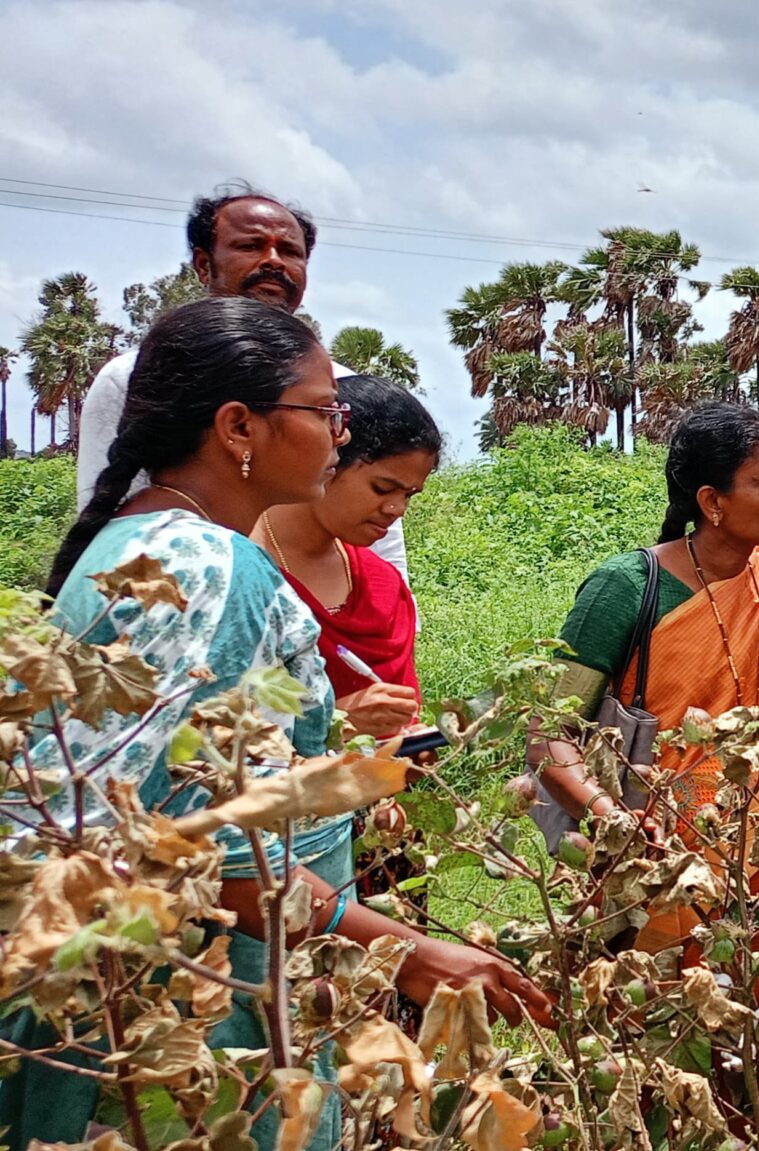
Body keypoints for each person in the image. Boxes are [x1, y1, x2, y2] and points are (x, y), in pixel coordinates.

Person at [7, 299, 546, 1150]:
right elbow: (202, 853)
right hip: (197, 1020)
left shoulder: (142, 541)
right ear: (237, 426)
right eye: (324, 410)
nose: (340, 432)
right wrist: (405, 949)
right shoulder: (214, 566)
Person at [534, 401, 759, 1008]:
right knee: (671, 1042)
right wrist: (613, 819)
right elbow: (549, 734)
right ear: (712, 502)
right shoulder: (626, 589)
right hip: (663, 861)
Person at [76, 181, 407, 574]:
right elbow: (113, 516)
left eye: (290, 251)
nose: (273, 261)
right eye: (250, 246)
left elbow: (383, 544)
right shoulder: (132, 377)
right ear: (203, 264)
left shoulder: (343, 388)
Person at [251, 374, 443, 921]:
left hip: (384, 830)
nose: (397, 510)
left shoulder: (383, 584)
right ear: (326, 459)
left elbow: (402, 710)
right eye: (383, 488)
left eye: (410, 495)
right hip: (275, 849)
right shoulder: (247, 573)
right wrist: (336, 720)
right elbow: (221, 737)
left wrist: (412, 742)